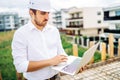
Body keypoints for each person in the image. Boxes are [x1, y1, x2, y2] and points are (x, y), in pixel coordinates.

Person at [11, 0, 68, 80]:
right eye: (43, 13)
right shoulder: (21, 34)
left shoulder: (54, 30)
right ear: (31, 13)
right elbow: (20, 66)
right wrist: (50, 62)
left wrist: (74, 66)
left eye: (48, 13)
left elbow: (61, 53)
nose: (47, 17)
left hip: (56, 77)